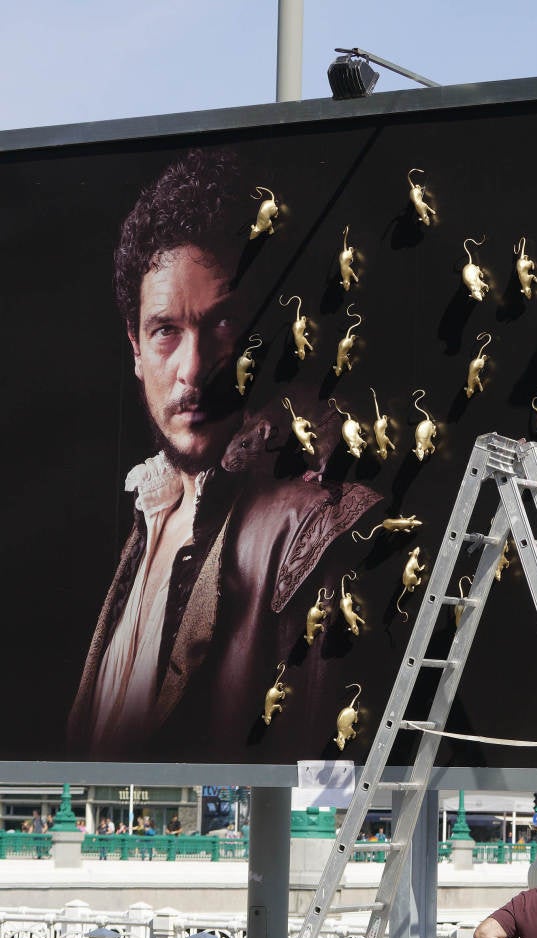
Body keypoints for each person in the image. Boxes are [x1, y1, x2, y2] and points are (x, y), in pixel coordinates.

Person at [67, 149, 379, 761]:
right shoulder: (152, 507)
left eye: (221, 326)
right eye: (166, 332)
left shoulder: (309, 525)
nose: (192, 372)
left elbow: (325, 787)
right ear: (135, 346)